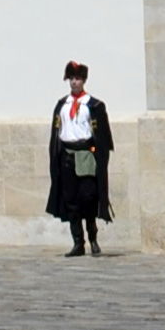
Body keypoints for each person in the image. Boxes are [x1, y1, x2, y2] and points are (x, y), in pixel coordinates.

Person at [45, 60, 114, 259]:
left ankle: (93, 237)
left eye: (78, 79)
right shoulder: (62, 105)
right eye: (72, 79)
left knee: (88, 197)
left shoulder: (93, 105)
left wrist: (94, 152)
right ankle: (78, 242)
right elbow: (56, 133)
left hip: (86, 154)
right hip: (67, 156)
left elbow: (102, 137)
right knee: (71, 200)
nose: (75, 83)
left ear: (84, 81)